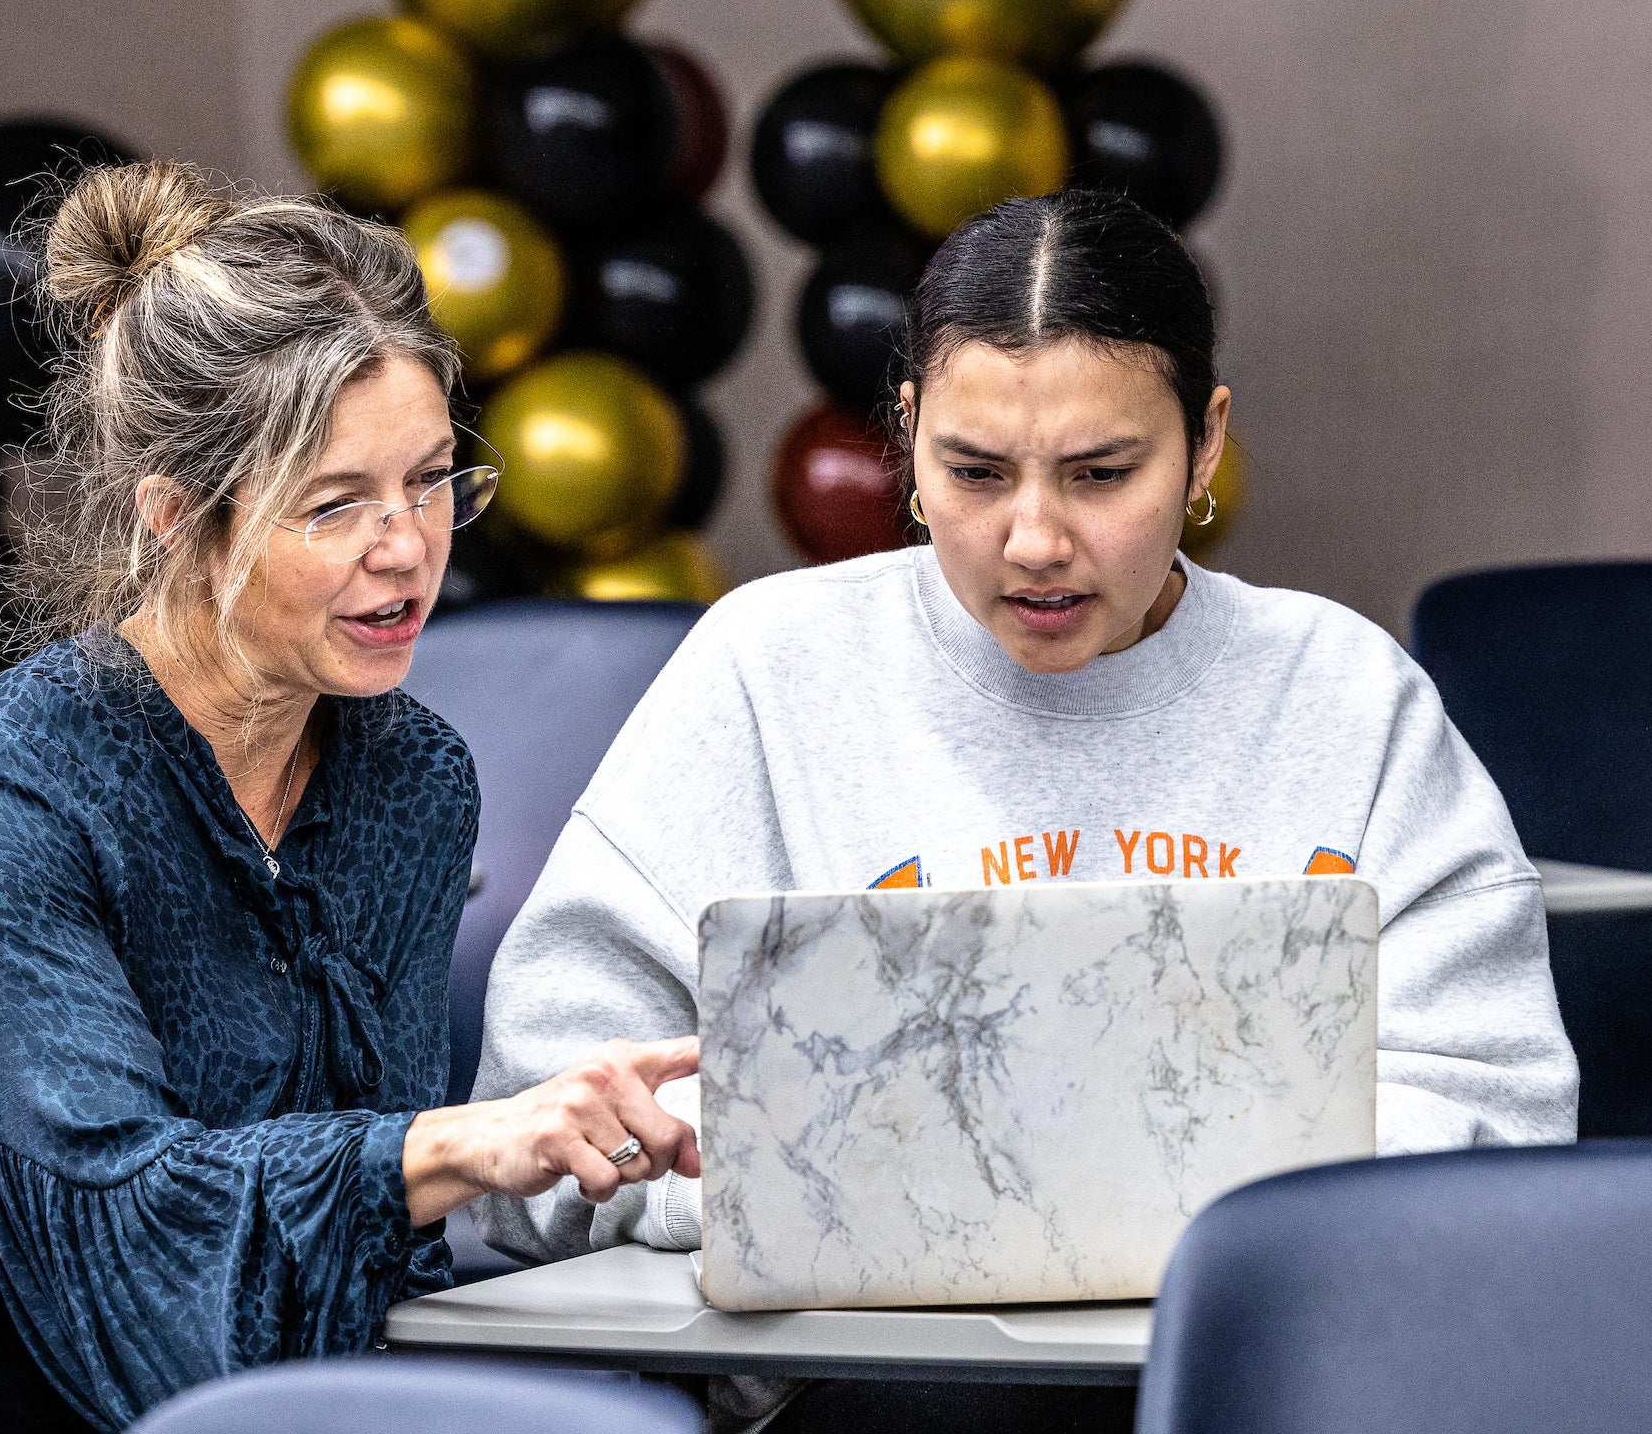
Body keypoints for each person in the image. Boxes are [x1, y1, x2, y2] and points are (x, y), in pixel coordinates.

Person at [473, 188, 1577, 1425]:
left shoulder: (1343, 696)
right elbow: (548, 1102)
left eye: (1102, 474)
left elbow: (1501, 1109)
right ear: (907, 435)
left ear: (1206, 443)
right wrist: (755, 1188)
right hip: (867, 1396)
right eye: (975, 472)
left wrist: (951, 1172)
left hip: (1258, 1375)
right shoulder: (769, 672)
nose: (1035, 537)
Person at [0, 163, 698, 1434]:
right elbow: (118, 1218)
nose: (410, 548)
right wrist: (455, 1147)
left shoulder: (414, 779)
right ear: (176, 518)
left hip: (198, 1378)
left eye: (432, 481)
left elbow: (355, 1260)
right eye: (336, 505)